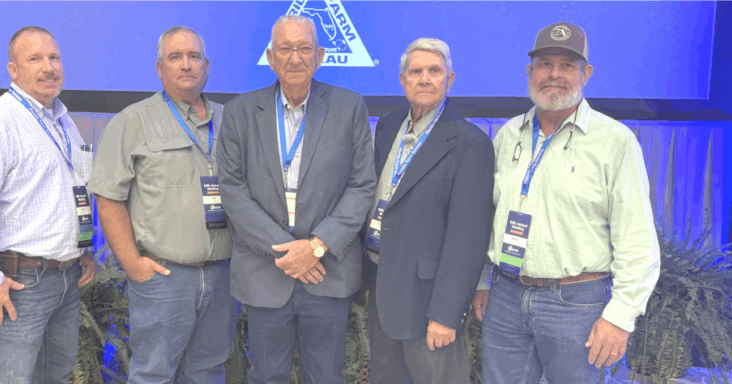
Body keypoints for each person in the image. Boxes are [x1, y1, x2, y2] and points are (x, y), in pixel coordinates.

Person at [472, 22, 661, 384]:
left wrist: (620, 316)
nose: (554, 74)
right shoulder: (509, 134)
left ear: (585, 74)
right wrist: (482, 280)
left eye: (567, 65)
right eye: (545, 64)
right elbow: (489, 216)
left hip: (576, 304)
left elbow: (637, 238)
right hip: (506, 295)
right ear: (530, 72)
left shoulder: (615, 141)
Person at [216, 15, 376, 384]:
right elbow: (232, 190)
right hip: (265, 272)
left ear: (320, 56)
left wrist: (316, 246)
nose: (295, 58)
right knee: (266, 376)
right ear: (270, 58)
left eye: (304, 48)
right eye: (285, 49)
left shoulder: (349, 107)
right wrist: (290, 252)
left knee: (325, 377)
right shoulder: (240, 112)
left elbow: (361, 186)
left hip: (328, 272)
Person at [0, 26, 97, 384]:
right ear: (13, 70)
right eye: (35, 59)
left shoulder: (64, 121)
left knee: (55, 376)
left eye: (54, 57)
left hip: (66, 277)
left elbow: (74, 191)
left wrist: (84, 249)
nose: (49, 67)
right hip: (19, 282)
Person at [88, 27, 234, 383]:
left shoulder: (231, 120)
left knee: (209, 372)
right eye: (175, 57)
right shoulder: (132, 121)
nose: (186, 65)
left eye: (194, 56)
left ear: (207, 66)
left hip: (223, 276)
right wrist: (133, 264)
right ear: (159, 68)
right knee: (153, 374)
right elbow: (108, 197)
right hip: (165, 279)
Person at [364, 38, 494, 384]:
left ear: (450, 79)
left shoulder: (470, 143)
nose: (424, 79)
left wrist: (446, 314)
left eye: (434, 71)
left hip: (428, 305)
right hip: (382, 289)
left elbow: (468, 238)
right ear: (402, 80)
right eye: (416, 71)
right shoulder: (387, 126)